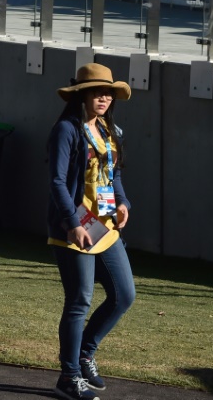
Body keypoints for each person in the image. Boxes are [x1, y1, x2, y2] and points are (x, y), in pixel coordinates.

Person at [47, 63, 136, 400]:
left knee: (124, 295)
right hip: (75, 226)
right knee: (79, 300)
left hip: (106, 226)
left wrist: (124, 202)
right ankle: (68, 377)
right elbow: (56, 181)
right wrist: (71, 223)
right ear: (82, 94)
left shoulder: (108, 130)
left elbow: (114, 176)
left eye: (109, 93)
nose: (104, 97)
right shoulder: (66, 130)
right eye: (97, 92)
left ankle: (85, 353)